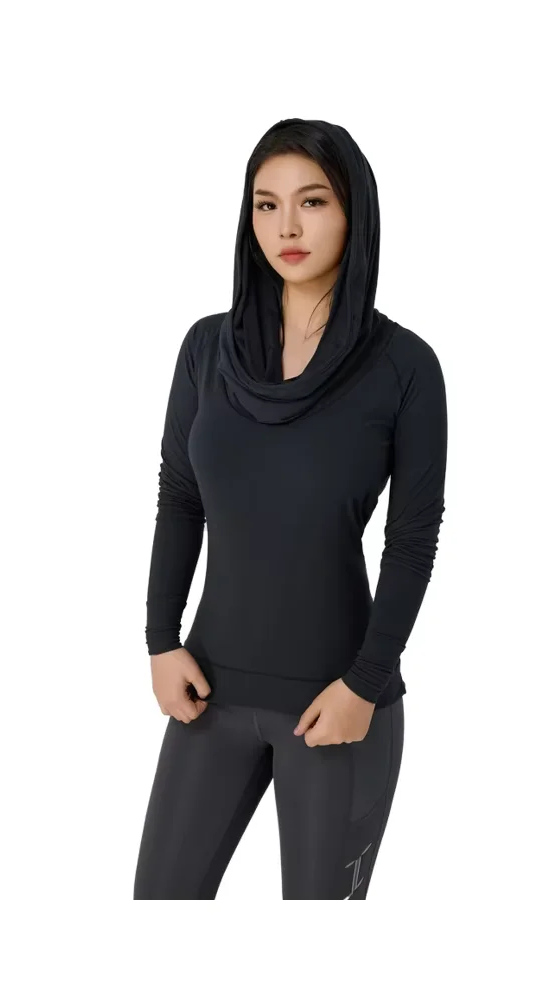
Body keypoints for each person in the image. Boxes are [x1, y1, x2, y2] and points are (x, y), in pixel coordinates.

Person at [132, 118, 447, 899]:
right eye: (266, 205)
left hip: (335, 706)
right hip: (208, 695)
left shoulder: (405, 367)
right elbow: (180, 496)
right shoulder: (206, 349)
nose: (287, 228)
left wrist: (365, 684)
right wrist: (160, 639)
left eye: (312, 201)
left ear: (354, 212)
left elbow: (411, 541)